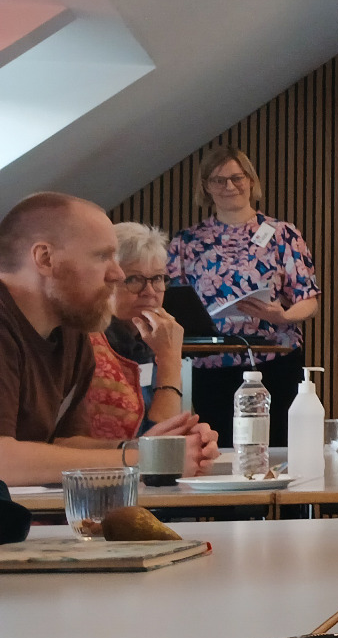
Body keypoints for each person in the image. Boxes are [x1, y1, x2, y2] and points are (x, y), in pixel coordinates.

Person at [0, 193, 218, 485]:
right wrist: (141, 460)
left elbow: (63, 444)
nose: (116, 274)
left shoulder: (72, 332)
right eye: (102, 256)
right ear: (45, 258)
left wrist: (145, 449)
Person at [167, 146, 320, 448]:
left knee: (279, 447)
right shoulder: (187, 241)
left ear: (251, 181)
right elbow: (174, 302)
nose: (229, 186)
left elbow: (309, 298)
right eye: (218, 180)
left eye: (237, 178)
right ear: (206, 188)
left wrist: (283, 316)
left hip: (275, 359)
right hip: (212, 364)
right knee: (221, 448)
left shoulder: (282, 234)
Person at [84, 223, 187, 441]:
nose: (149, 292)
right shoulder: (91, 345)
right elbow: (158, 448)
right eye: (133, 280)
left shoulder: (147, 340)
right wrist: (170, 360)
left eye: (157, 278)